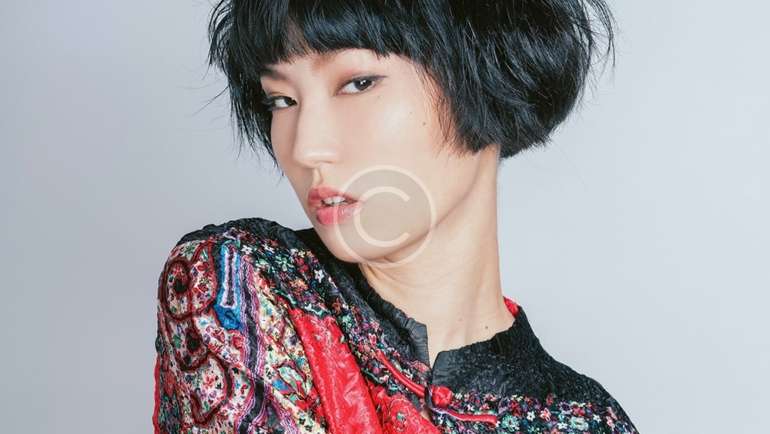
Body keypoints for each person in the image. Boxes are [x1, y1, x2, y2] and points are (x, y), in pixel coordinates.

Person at [153, 1, 639, 432]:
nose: (306, 147)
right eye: (282, 100)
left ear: (488, 72)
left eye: (357, 83)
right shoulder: (240, 285)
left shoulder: (587, 420)